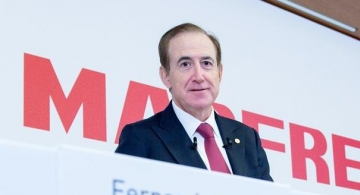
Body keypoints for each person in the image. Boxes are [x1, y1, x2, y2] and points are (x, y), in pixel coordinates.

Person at [115, 23, 273, 181]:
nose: (198, 76)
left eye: (206, 63)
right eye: (185, 64)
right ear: (166, 76)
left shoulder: (247, 138)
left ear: (219, 73)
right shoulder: (141, 137)